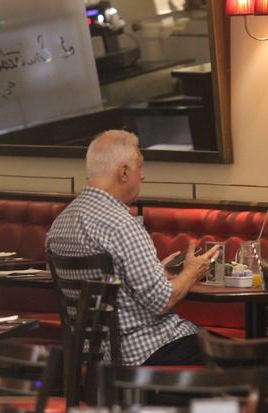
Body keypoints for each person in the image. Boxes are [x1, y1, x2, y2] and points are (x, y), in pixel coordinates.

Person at [46, 130, 219, 366]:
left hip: (92, 357)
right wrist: (192, 271)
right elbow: (162, 301)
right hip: (146, 351)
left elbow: (109, 287)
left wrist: (157, 272)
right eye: (140, 167)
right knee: (249, 358)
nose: (143, 175)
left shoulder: (59, 225)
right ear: (124, 172)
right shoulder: (122, 224)